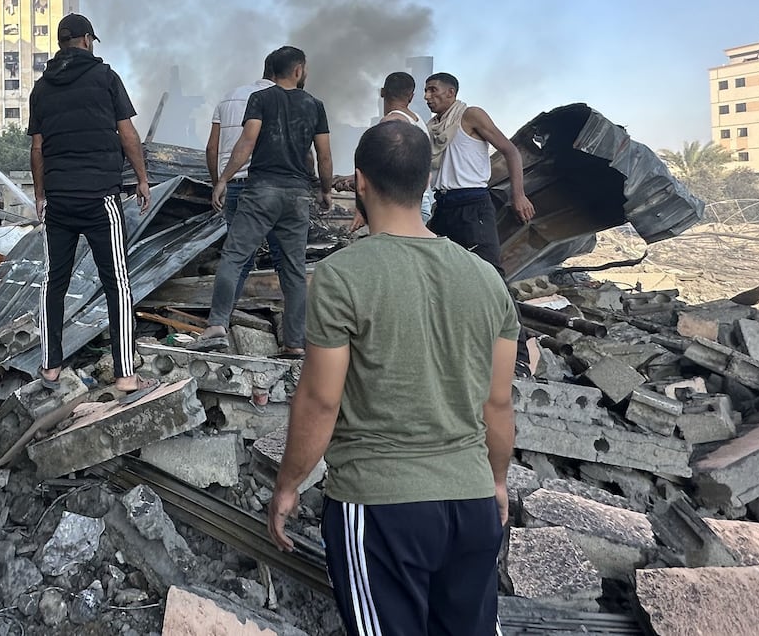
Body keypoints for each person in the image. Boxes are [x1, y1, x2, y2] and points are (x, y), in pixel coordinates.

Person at [268, 121, 517, 636]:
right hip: (471, 506)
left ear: (359, 182)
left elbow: (319, 401)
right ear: (426, 183)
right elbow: (497, 405)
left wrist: (288, 486)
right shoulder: (486, 278)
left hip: (380, 507)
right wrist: (495, 481)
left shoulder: (342, 275)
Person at [28, 12, 154, 392]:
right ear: (85, 40)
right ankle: (126, 374)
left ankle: (50, 366)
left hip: (60, 200)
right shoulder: (105, 77)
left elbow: (37, 148)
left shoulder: (41, 89)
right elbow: (127, 132)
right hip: (101, 197)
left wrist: (40, 194)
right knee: (117, 281)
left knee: (54, 283)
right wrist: (143, 178)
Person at [200, 46, 332, 357]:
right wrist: (325, 190)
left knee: (234, 257)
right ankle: (294, 343)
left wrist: (222, 179)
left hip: (261, 191)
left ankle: (217, 326)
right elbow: (323, 156)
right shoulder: (315, 105)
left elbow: (247, 142)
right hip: (297, 195)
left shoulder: (261, 99)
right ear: (298, 71)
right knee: (293, 270)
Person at [422, 73, 535, 274]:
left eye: (432, 90)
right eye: (425, 91)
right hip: (443, 207)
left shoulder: (471, 115)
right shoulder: (432, 127)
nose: (427, 97)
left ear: (450, 93)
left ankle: (504, 306)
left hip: (472, 207)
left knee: (488, 273)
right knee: (438, 271)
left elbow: (510, 151)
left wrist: (518, 195)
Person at [206, 55, 286, 300]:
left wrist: (218, 182)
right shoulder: (283, 99)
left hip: (233, 186)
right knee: (282, 257)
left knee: (237, 258)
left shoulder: (229, 97)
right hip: (270, 187)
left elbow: (212, 148)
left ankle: (223, 318)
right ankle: (293, 321)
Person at [347, 72, 433, 232]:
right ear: (411, 96)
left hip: (397, 208)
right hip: (418, 204)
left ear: (382, 92)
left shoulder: (390, 124)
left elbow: (377, 170)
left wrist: (361, 208)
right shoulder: (417, 121)